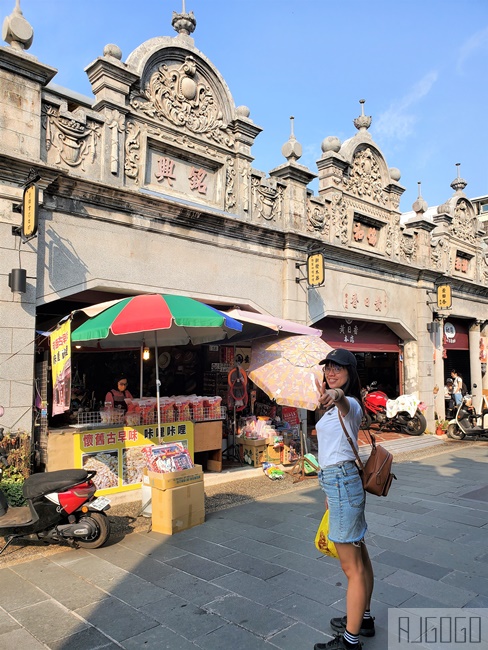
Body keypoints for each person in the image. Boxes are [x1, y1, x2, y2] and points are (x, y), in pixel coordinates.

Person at [313, 348, 374, 650]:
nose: (331, 372)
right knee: (360, 557)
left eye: (337, 367)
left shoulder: (350, 403)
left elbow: (342, 401)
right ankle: (363, 619)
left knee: (352, 568)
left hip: (342, 483)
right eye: (327, 367)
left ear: (350, 372)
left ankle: (350, 642)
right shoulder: (331, 407)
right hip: (338, 485)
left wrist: (334, 394)